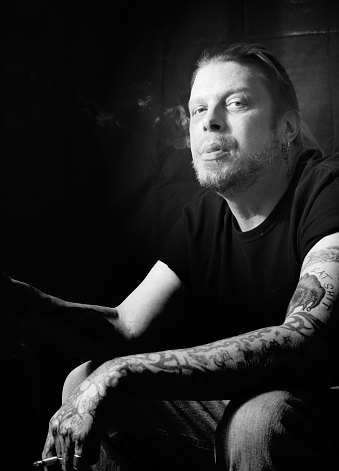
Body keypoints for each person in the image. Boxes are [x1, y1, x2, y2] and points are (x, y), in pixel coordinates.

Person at [3, 42, 339, 471]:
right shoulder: (203, 217)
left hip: (322, 408)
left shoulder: (326, 187)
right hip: (242, 408)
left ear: (286, 127)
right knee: (83, 381)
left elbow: (305, 340)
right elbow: (123, 328)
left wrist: (123, 373)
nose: (210, 121)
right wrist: (13, 299)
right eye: (198, 110)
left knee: (257, 419)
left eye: (236, 103)